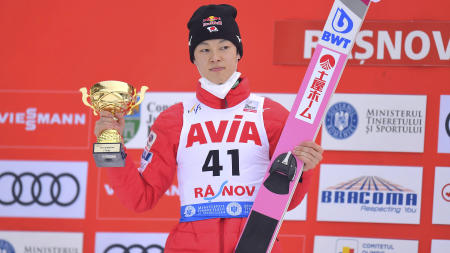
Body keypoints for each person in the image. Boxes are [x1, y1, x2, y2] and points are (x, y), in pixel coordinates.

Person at [95, 4, 323, 253]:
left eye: (224, 47)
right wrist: (109, 144)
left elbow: (285, 202)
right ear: (193, 57)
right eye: (204, 49)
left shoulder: (272, 116)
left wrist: (305, 169)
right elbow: (139, 199)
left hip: (255, 244)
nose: (215, 57)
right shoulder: (173, 121)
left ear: (238, 52)